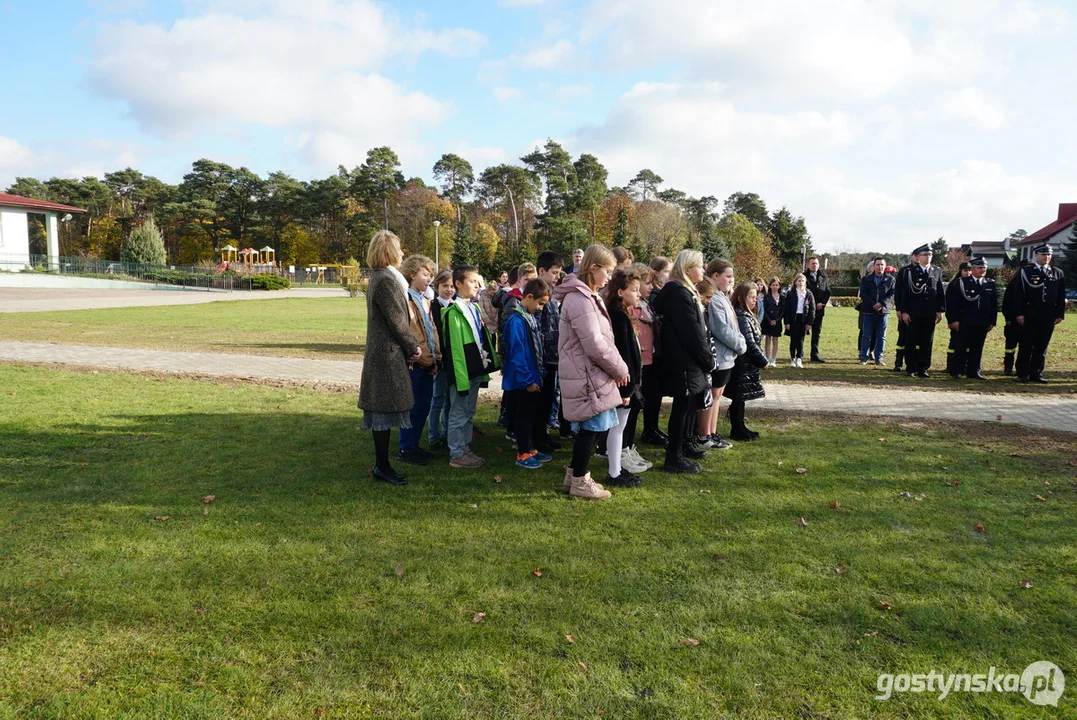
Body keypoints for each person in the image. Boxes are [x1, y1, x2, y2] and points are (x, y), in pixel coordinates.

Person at [556, 244, 628, 499]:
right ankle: (579, 481)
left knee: (594, 425)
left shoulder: (586, 295)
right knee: (593, 426)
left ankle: (574, 475)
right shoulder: (579, 298)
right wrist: (620, 368)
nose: (609, 276)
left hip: (590, 371)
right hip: (587, 373)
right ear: (594, 268)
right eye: (607, 271)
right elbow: (595, 344)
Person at [357, 230, 420, 486]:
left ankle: (383, 465)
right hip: (386, 355)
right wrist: (413, 346)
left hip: (386, 353)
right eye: (400, 248)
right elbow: (397, 321)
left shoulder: (384, 278)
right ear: (390, 251)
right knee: (382, 414)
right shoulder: (385, 280)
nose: (403, 253)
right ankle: (382, 466)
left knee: (383, 413)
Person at [652, 249, 715, 474]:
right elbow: (691, 333)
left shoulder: (684, 291)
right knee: (681, 407)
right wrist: (707, 360)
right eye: (699, 265)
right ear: (687, 269)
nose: (703, 269)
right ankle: (674, 456)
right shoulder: (679, 294)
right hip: (683, 361)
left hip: (688, 360)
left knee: (687, 407)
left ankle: (683, 447)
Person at [442, 265, 500, 468]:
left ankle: (465, 448)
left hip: (474, 370)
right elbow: (456, 351)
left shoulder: (473, 308)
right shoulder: (452, 313)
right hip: (462, 373)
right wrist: (461, 377)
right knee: (458, 413)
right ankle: (456, 454)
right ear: (458, 284)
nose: (477, 285)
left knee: (468, 412)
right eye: (472, 281)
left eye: (478, 281)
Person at [502, 278, 554, 470]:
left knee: (530, 415)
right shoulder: (516, 321)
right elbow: (518, 354)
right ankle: (522, 452)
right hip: (522, 381)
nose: (540, 308)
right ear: (529, 297)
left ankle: (530, 448)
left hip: (532, 377)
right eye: (540, 303)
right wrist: (527, 380)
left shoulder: (529, 317)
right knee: (523, 417)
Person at [603, 266, 648, 486]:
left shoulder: (622, 314)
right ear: (620, 292)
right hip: (623, 383)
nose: (638, 294)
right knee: (616, 427)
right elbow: (623, 354)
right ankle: (614, 472)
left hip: (626, 382)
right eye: (634, 289)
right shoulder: (618, 317)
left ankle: (616, 469)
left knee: (617, 427)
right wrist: (627, 389)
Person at [397, 254, 441, 466]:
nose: (429, 278)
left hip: (427, 363)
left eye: (431, 275)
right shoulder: (405, 299)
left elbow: (431, 332)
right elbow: (409, 332)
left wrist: (435, 358)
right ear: (412, 274)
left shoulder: (425, 300)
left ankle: (414, 444)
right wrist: (420, 356)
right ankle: (406, 447)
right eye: (426, 274)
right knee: (413, 408)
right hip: (414, 363)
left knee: (423, 407)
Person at [702, 258, 744, 450]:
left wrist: (739, 342)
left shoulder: (723, 297)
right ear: (715, 276)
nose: (731, 280)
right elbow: (722, 330)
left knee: (717, 395)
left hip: (727, 356)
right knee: (712, 395)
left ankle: (712, 431)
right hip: (718, 356)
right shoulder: (714, 300)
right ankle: (705, 434)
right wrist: (741, 346)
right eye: (728, 276)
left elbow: (734, 326)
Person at [1012, 244, 1067, 383]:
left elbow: (1061, 295)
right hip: (1029, 314)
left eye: (1048, 254)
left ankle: (1036, 372)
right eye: (1043, 254)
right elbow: (1018, 294)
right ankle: (1022, 373)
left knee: (1042, 346)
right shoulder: (1026, 271)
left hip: (1048, 315)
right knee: (1026, 344)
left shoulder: (1057, 272)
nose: (1046, 257)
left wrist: (1060, 314)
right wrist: (1019, 313)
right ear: (1036, 254)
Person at [725, 282, 769, 441]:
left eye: (756, 298)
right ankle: (737, 429)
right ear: (741, 297)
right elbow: (750, 343)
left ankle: (740, 426)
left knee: (741, 397)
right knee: (738, 396)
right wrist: (763, 361)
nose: (754, 300)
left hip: (746, 365)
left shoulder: (746, 315)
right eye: (751, 297)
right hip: (741, 364)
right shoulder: (742, 316)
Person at [895, 244, 945, 378]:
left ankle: (923, 367)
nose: (928, 257)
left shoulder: (936, 270)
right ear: (918, 257)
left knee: (927, 341)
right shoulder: (909, 271)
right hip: (913, 312)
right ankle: (910, 367)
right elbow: (903, 293)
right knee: (911, 340)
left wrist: (940, 310)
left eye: (930, 255)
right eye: (925, 255)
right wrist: (903, 311)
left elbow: (939, 291)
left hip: (930, 312)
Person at [626, 263, 660, 460]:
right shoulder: (631, 307)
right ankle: (624, 447)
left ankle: (629, 446)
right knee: (630, 408)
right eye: (647, 283)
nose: (651, 287)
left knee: (637, 407)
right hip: (637, 362)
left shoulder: (646, 304)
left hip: (647, 361)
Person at [945, 256, 997, 380]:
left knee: (977, 348)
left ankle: (974, 371)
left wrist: (992, 321)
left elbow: (993, 305)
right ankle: (957, 370)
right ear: (972, 269)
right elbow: (952, 303)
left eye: (984, 268)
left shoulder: (989, 283)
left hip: (982, 322)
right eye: (979, 268)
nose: (982, 270)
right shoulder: (962, 282)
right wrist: (953, 320)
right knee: (961, 347)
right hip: (965, 321)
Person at [534, 251, 564, 453]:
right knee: (539, 402)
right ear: (541, 271)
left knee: (548, 400)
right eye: (554, 272)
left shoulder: (551, 294)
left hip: (554, 358)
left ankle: (542, 435)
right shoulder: (536, 295)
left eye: (559, 273)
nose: (557, 277)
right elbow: (538, 329)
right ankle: (535, 438)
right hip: (542, 358)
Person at [427, 269, 455, 450]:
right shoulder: (433, 306)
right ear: (437, 286)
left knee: (450, 401)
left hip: (454, 360)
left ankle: (446, 433)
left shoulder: (456, 306)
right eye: (445, 286)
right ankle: (433, 436)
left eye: (452, 286)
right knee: (437, 398)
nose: (449, 289)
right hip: (441, 359)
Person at [858, 257, 895, 365]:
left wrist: (881, 304)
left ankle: (879, 358)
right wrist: (873, 304)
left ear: (885, 266)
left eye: (882, 265)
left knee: (881, 336)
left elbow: (892, 294)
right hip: (868, 311)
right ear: (874, 266)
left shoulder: (890, 279)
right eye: (878, 265)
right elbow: (863, 294)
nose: (880, 267)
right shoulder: (866, 279)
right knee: (866, 335)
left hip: (883, 312)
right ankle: (863, 357)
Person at [944, 262, 972, 376]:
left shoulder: (972, 283)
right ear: (960, 271)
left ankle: (964, 366)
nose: (968, 273)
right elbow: (950, 305)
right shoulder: (954, 284)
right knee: (954, 344)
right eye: (965, 270)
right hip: (957, 319)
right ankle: (950, 365)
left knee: (968, 345)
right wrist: (951, 320)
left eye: (970, 270)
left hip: (969, 320)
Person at [783, 273, 815, 368]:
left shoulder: (808, 293)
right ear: (795, 282)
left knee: (801, 340)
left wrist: (810, 322)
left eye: (802, 281)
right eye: (799, 281)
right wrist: (787, 322)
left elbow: (812, 309)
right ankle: (792, 359)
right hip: (793, 319)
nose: (801, 283)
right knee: (793, 340)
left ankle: (799, 358)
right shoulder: (790, 293)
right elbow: (787, 309)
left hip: (803, 319)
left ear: (805, 282)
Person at [804, 257, 831, 362]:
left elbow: (827, 291)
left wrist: (823, 303)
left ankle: (814, 354)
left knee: (816, 333)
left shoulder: (823, 276)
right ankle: (799, 354)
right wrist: (813, 304)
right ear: (808, 265)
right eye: (812, 263)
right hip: (807, 309)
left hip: (820, 310)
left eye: (816, 263)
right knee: (803, 332)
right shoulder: (803, 276)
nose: (814, 265)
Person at [1001, 263, 1025, 376]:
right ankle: (1008, 367)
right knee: (1010, 347)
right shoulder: (1014, 282)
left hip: (1027, 320)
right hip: (1013, 321)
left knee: (1025, 347)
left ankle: (1021, 368)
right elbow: (1007, 302)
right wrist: (1008, 318)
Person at [761, 277, 783, 367]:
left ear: (779, 286)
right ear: (770, 286)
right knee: (768, 339)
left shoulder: (782, 297)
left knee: (775, 340)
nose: (775, 287)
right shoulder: (766, 297)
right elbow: (764, 310)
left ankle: (773, 359)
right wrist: (769, 320)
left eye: (776, 285)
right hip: (768, 321)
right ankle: (767, 357)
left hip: (777, 321)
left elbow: (783, 310)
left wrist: (777, 320)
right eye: (773, 285)